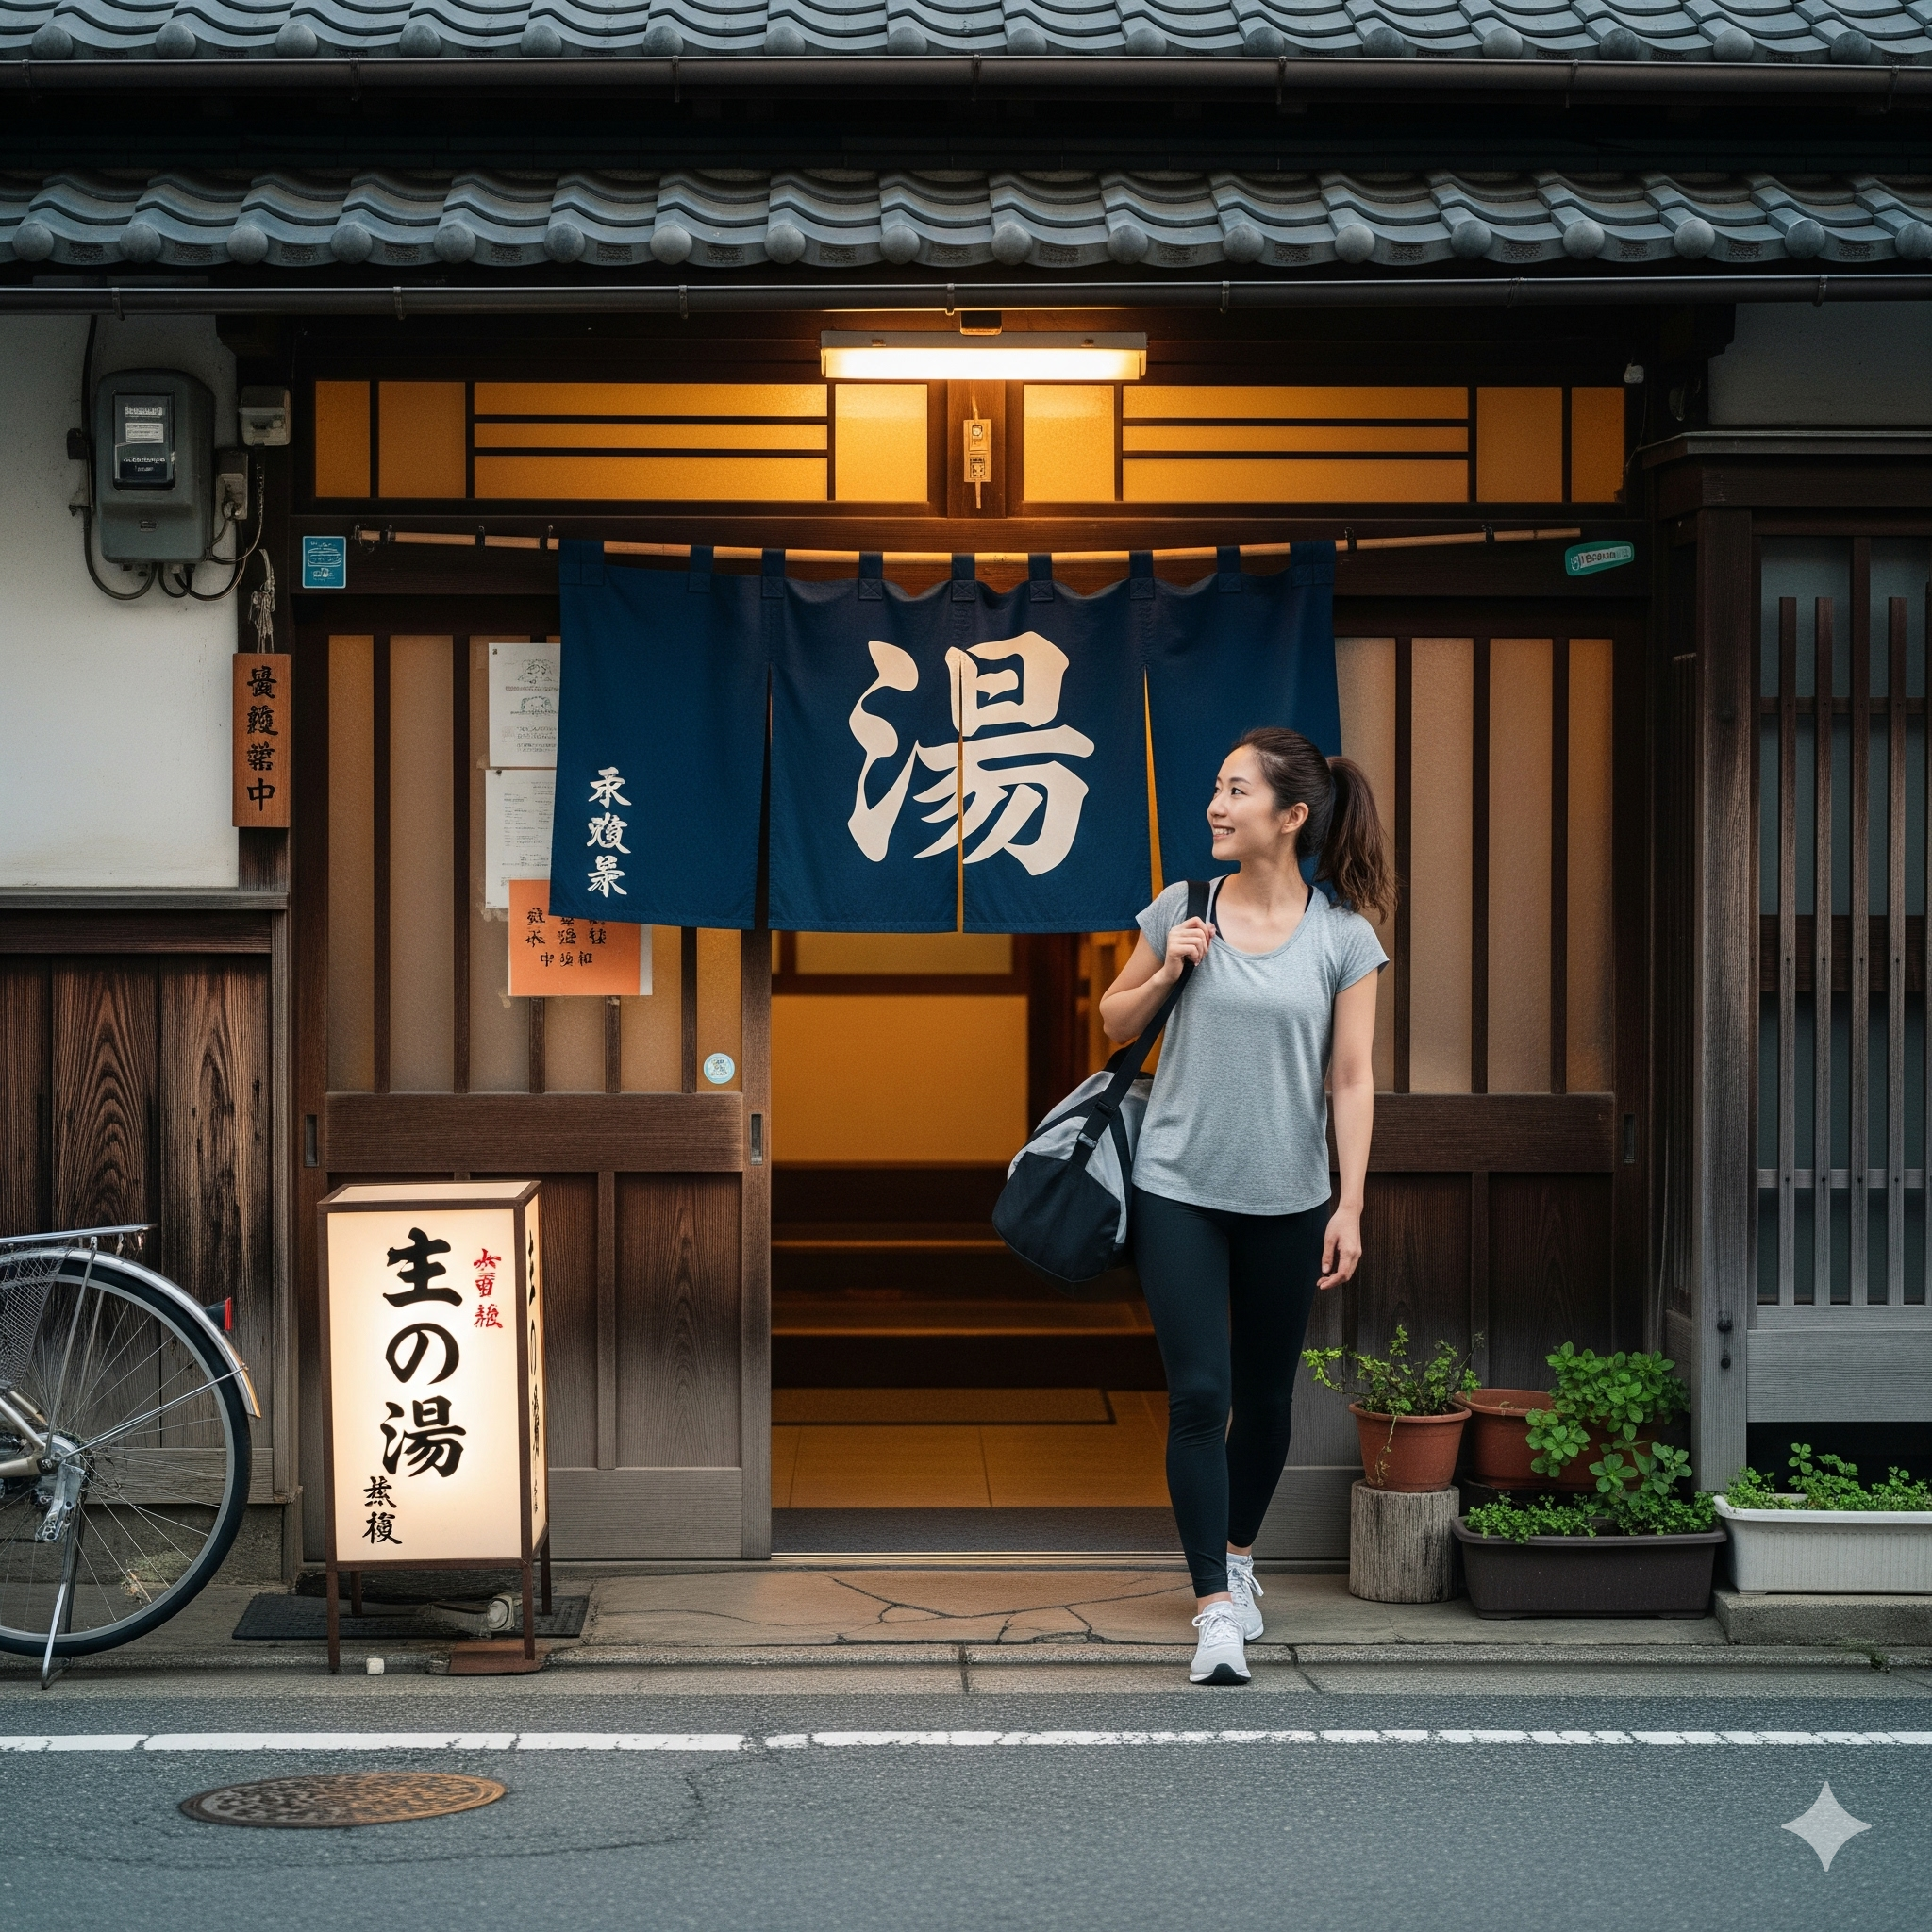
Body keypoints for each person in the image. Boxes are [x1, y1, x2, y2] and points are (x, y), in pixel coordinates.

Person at [1098, 726, 1392, 1684]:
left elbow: (1351, 1079)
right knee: (1200, 1394)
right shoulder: (1180, 906)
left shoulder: (1343, 936)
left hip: (1287, 1196)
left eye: (1235, 790)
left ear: (1290, 815)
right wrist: (1167, 964)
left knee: (1266, 1401)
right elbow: (1109, 1019)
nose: (1216, 806)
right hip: (1177, 1185)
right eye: (1216, 787)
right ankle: (1212, 1610)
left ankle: (1237, 1553)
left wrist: (1348, 1203)